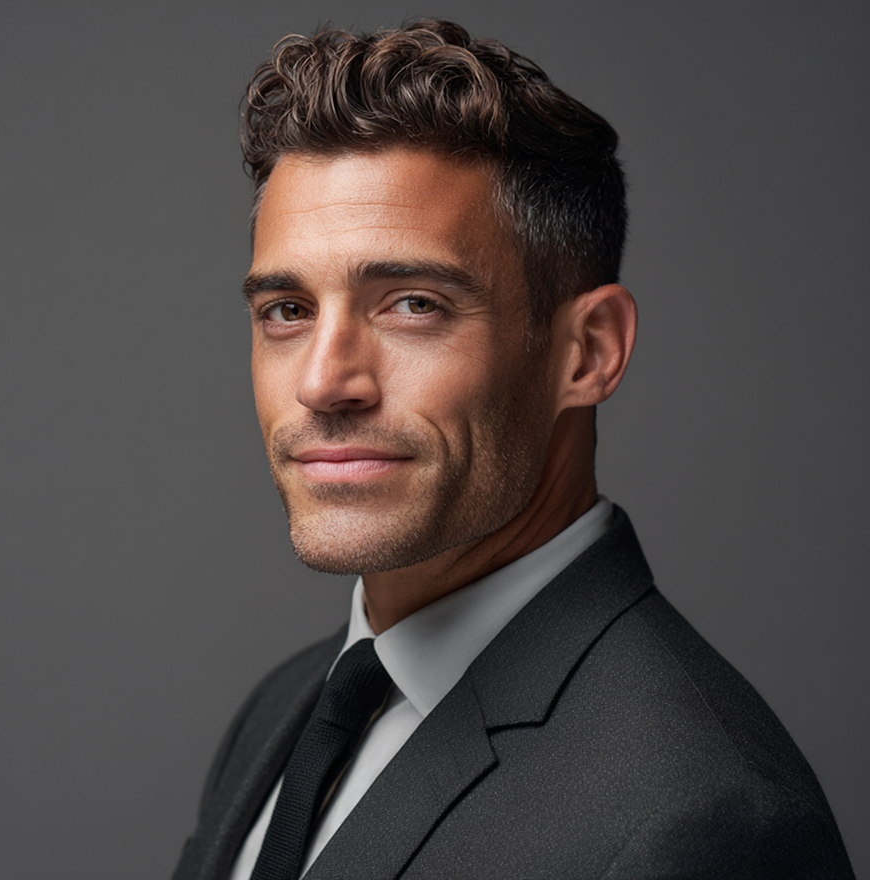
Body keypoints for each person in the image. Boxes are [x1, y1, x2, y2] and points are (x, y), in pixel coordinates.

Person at [172, 19, 854, 880]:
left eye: (413, 303)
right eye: (287, 310)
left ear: (588, 351)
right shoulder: (285, 710)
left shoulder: (707, 825)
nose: (323, 380)